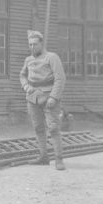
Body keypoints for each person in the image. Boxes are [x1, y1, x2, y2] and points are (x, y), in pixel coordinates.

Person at [20, 30, 67, 170]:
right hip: (32, 98)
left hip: (49, 97)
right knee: (38, 128)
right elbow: (22, 75)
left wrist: (54, 97)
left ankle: (59, 159)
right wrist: (25, 86)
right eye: (30, 45)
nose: (32, 47)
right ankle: (43, 156)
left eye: (35, 44)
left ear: (41, 44)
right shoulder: (28, 60)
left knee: (53, 128)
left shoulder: (52, 57)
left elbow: (60, 78)